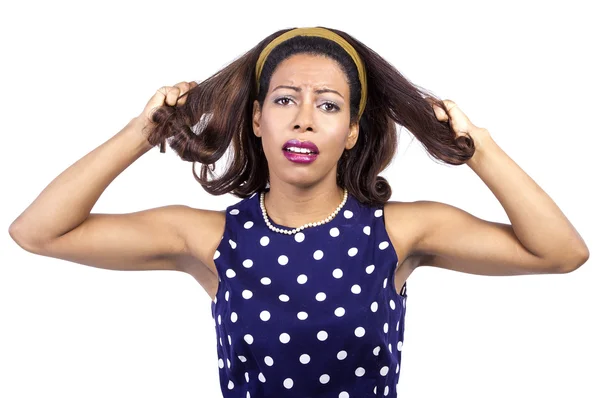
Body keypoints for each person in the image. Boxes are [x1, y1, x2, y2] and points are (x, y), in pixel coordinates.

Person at [8, 26, 589, 397]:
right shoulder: (211, 238)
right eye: (285, 100)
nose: (304, 118)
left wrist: (478, 146)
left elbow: (561, 252)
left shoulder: (401, 231)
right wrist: (144, 131)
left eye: (328, 104)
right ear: (257, 120)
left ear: (354, 130)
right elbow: (37, 232)